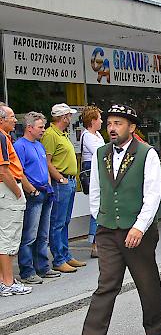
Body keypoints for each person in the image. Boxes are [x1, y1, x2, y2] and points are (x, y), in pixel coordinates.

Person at [66, 104, 161, 335]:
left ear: (131, 128)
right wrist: (100, 218)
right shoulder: (101, 153)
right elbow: (96, 190)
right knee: (106, 283)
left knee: (146, 279)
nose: (112, 128)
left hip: (137, 229)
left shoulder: (147, 153)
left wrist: (139, 227)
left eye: (118, 123)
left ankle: (155, 328)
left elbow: (152, 195)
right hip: (108, 229)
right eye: (110, 123)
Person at [14, 112, 60, 285]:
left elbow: (45, 167)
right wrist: (31, 190)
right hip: (34, 194)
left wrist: (48, 184)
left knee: (43, 234)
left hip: (45, 192)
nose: (43, 130)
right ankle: (27, 271)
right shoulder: (20, 146)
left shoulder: (39, 145)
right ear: (29, 127)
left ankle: (43, 266)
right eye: (40, 127)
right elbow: (19, 172)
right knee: (30, 234)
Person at [41, 103, 85, 273]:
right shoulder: (51, 134)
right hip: (62, 181)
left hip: (69, 180)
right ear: (63, 117)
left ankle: (65, 255)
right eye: (69, 115)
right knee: (58, 222)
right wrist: (60, 178)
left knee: (65, 221)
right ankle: (59, 259)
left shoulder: (63, 133)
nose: (71, 118)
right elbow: (47, 161)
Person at [0, 105, 31, 297]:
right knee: (8, 238)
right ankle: (8, 282)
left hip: (4, 190)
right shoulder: (2, 137)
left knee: (4, 236)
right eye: (11, 117)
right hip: (7, 189)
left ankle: (4, 280)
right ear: (1, 119)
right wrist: (17, 192)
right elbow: (4, 170)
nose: (15, 120)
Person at [80, 106, 105, 258]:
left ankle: (99, 242)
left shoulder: (97, 135)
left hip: (98, 170)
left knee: (102, 206)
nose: (102, 121)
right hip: (93, 170)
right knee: (97, 206)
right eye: (100, 118)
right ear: (93, 120)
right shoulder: (88, 136)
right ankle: (95, 244)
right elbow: (101, 153)